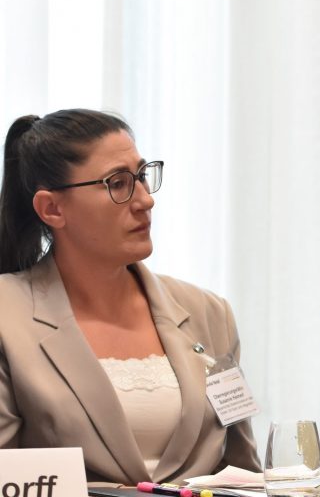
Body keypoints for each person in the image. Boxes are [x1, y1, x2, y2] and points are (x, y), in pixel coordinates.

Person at [0, 109, 261, 484]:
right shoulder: (8, 316)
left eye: (141, 177)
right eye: (118, 183)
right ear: (52, 208)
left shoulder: (207, 313)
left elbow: (242, 473)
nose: (145, 200)